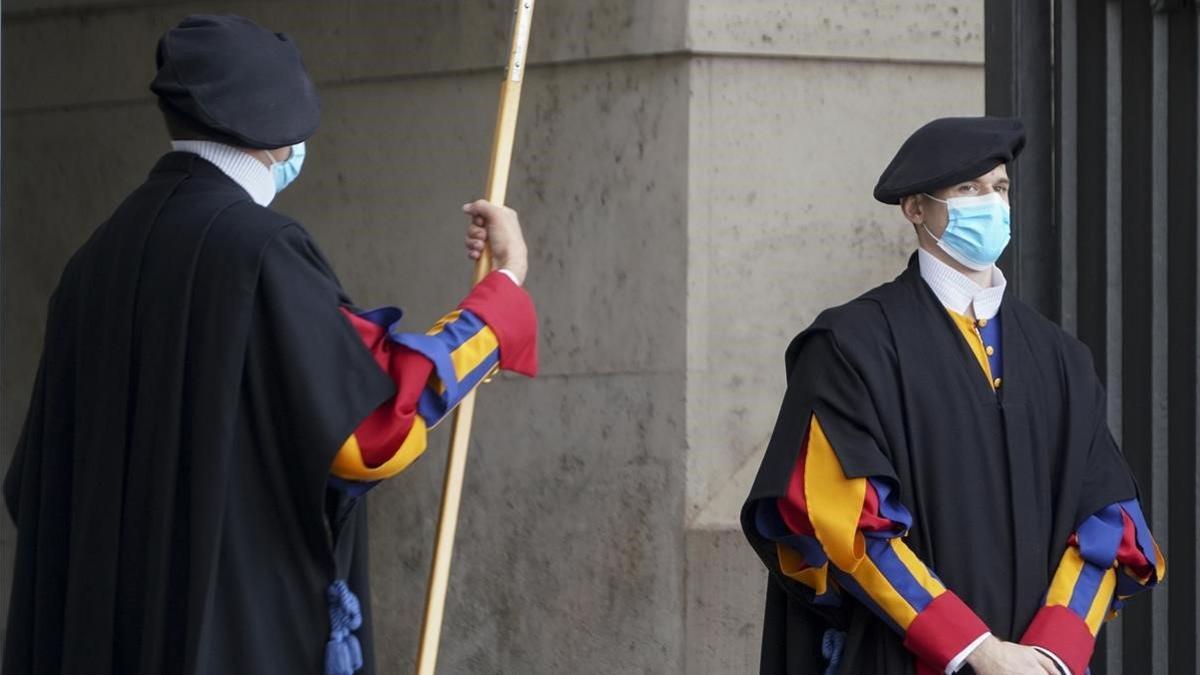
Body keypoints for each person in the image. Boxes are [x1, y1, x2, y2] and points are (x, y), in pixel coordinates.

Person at [2, 14, 537, 675]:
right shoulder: (260, 253)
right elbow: (372, 432)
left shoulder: (91, 263)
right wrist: (502, 292)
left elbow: (33, 486)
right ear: (281, 136)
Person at [741, 117, 1163, 675]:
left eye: (1000, 188)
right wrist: (978, 651)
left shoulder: (1061, 358)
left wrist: (1053, 651)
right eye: (968, 189)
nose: (990, 202)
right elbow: (840, 516)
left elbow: (1107, 520)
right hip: (901, 656)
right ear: (915, 209)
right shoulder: (852, 347)